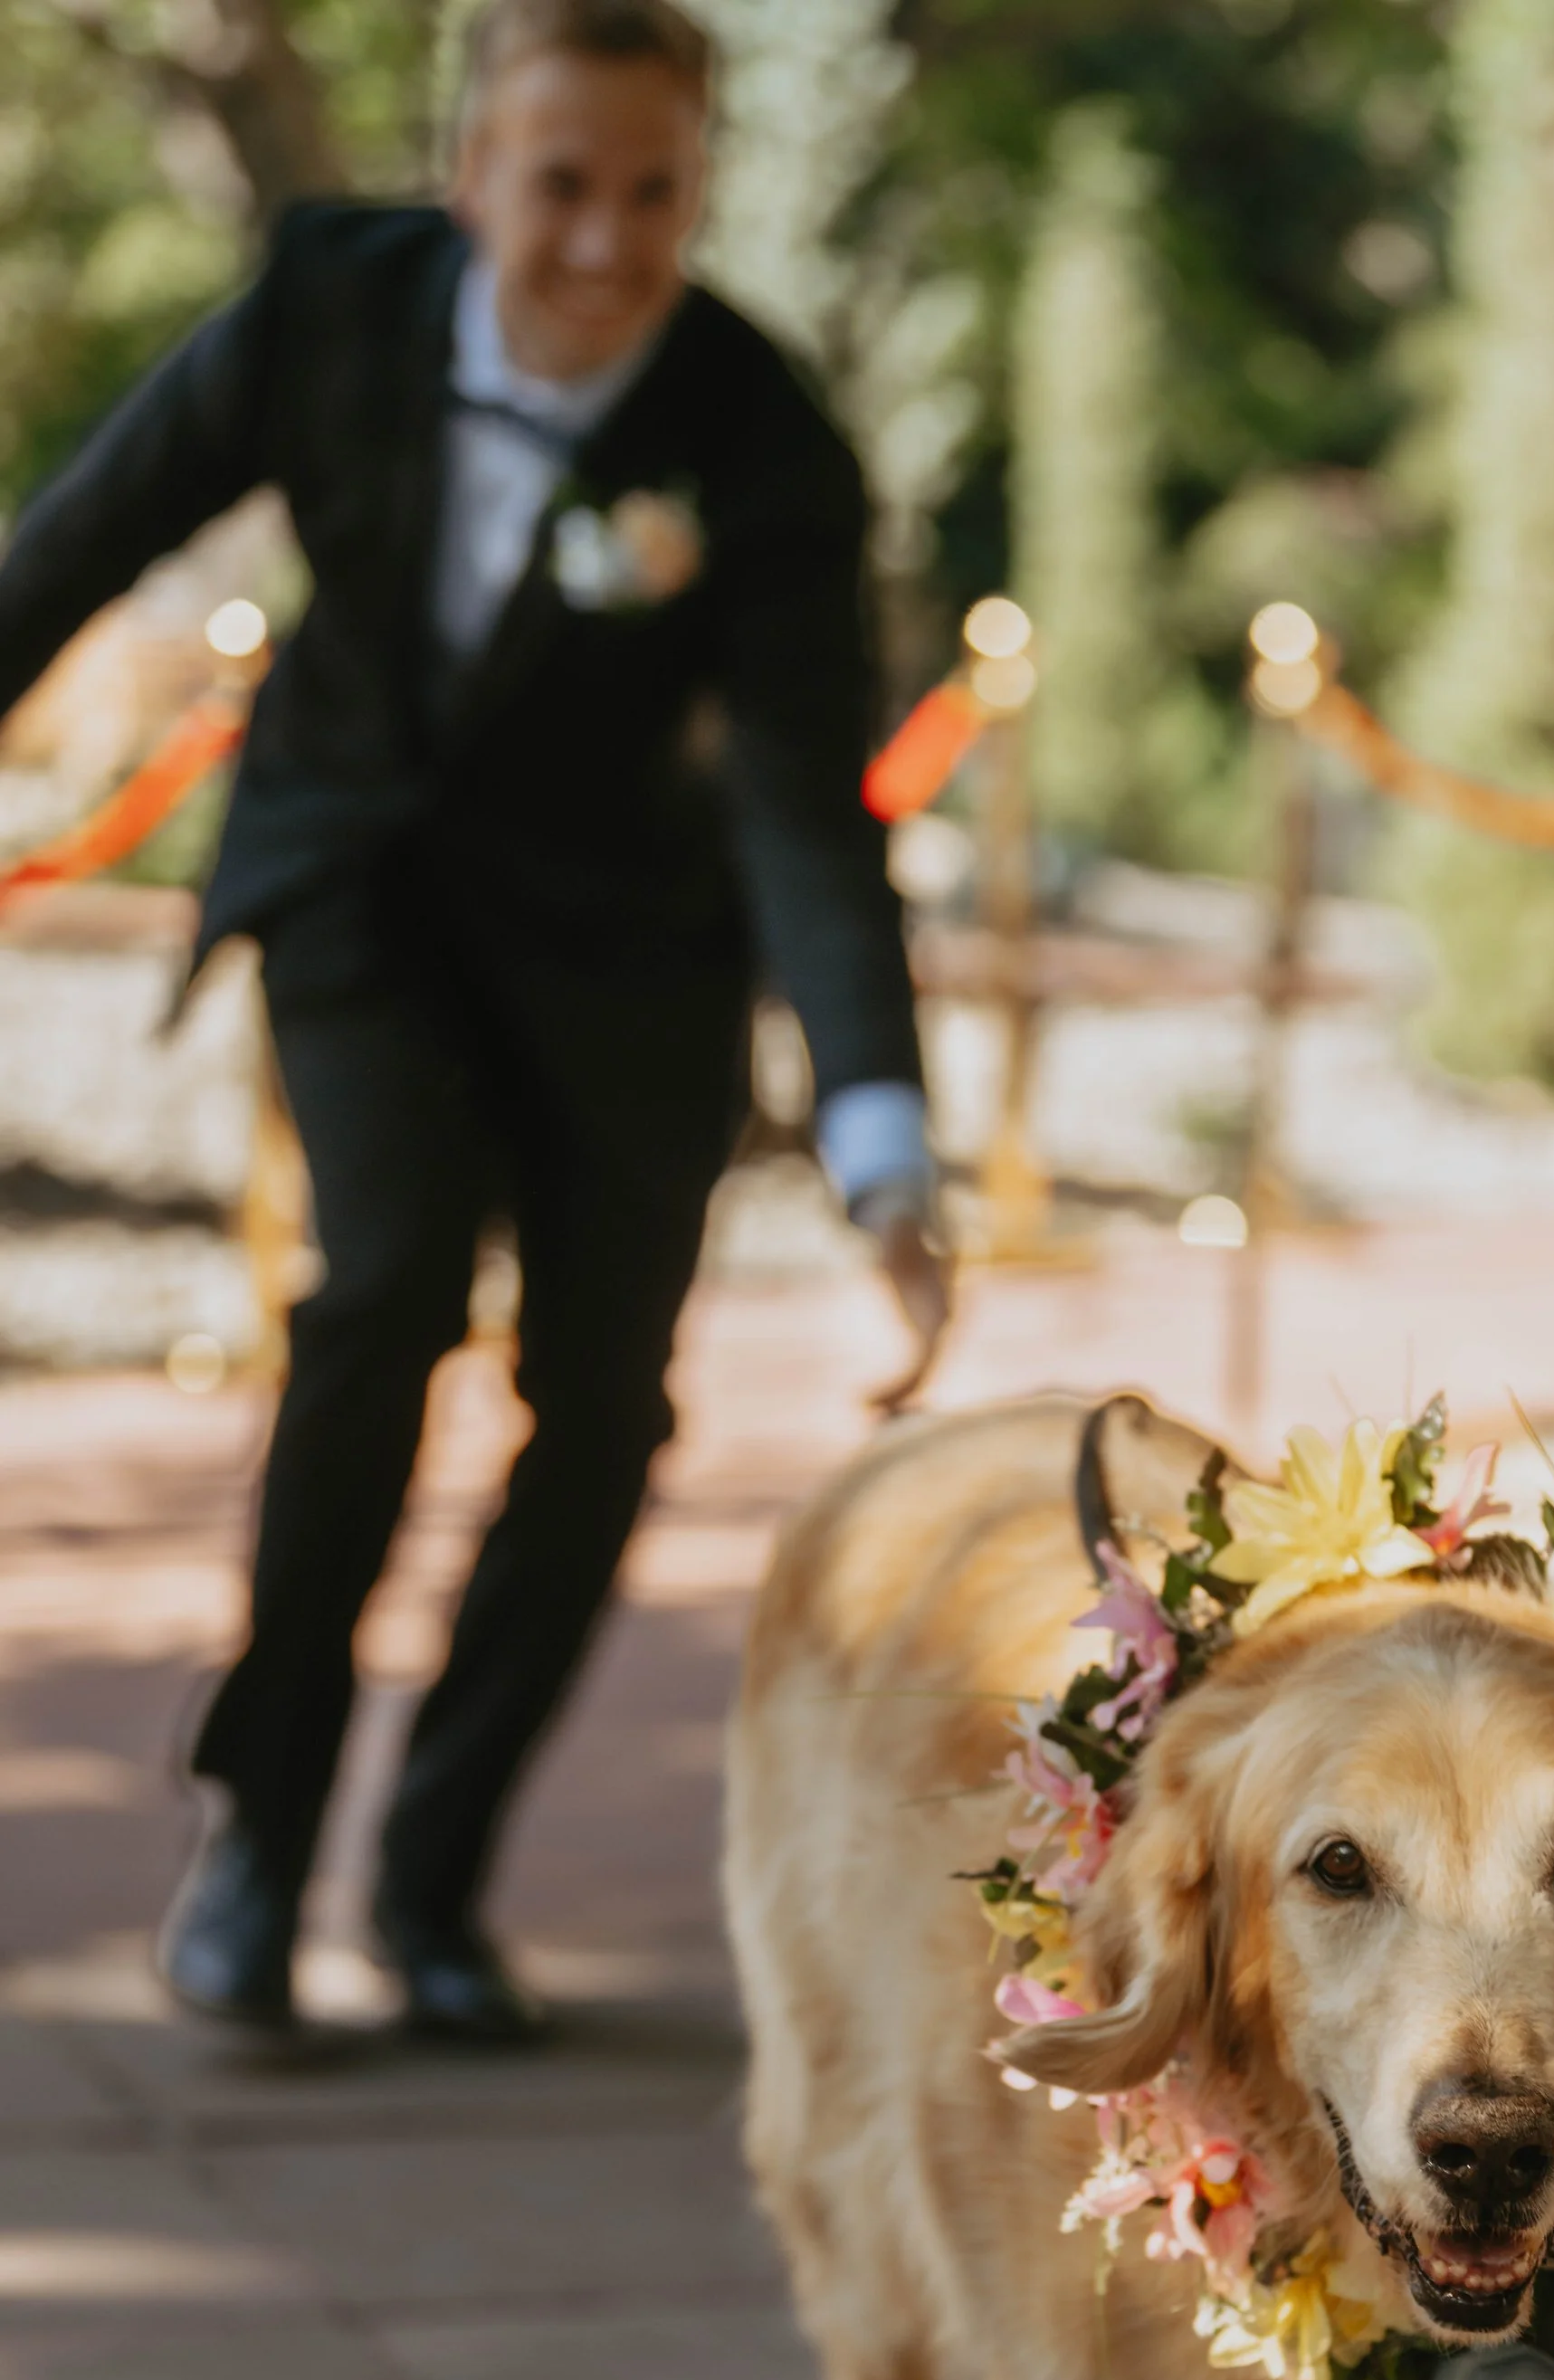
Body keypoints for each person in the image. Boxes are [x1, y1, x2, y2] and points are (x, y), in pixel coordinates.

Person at [0, 0, 948, 2042]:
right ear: (470, 176)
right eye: (561, 185)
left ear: (698, 191)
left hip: (634, 960)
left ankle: (434, 1871)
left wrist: (880, 1136)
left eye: (654, 194)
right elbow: (71, 545)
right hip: (360, 889)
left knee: (605, 1406)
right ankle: (261, 1839)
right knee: (385, 1292)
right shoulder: (326, 308)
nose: (605, 241)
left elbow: (807, 807)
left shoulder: (760, 438)